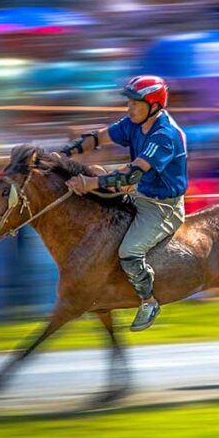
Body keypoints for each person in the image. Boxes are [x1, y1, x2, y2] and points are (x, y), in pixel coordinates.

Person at [61, 75, 189, 331]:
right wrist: (64, 154)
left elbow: (132, 175)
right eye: (128, 102)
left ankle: (148, 300)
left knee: (128, 252)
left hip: (163, 207)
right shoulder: (134, 122)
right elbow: (97, 138)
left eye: (134, 103)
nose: (128, 108)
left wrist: (89, 184)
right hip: (141, 193)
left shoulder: (164, 135)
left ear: (153, 105)